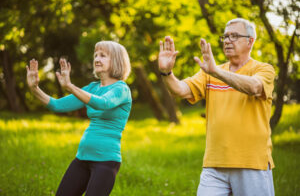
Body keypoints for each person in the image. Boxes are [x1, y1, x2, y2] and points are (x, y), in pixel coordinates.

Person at [158, 18, 275, 196]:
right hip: (214, 165)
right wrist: (166, 73)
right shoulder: (210, 72)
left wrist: (217, 72)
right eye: (225, 36)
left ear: (250, 41)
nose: (227, 40)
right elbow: (180, 90)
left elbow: (254, 87)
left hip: (251, 163)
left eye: (234, 36)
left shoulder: (263, 69)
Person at [26, 41, 132, 196]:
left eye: (103, 55)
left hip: (106, 161)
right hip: (82, 158)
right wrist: (34, 89)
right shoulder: (92, 88)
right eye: (95, 55)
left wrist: (70, 86)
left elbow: (103, 103)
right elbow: (57, 105)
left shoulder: (122, 89)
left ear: (116, 60)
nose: (97, 58)